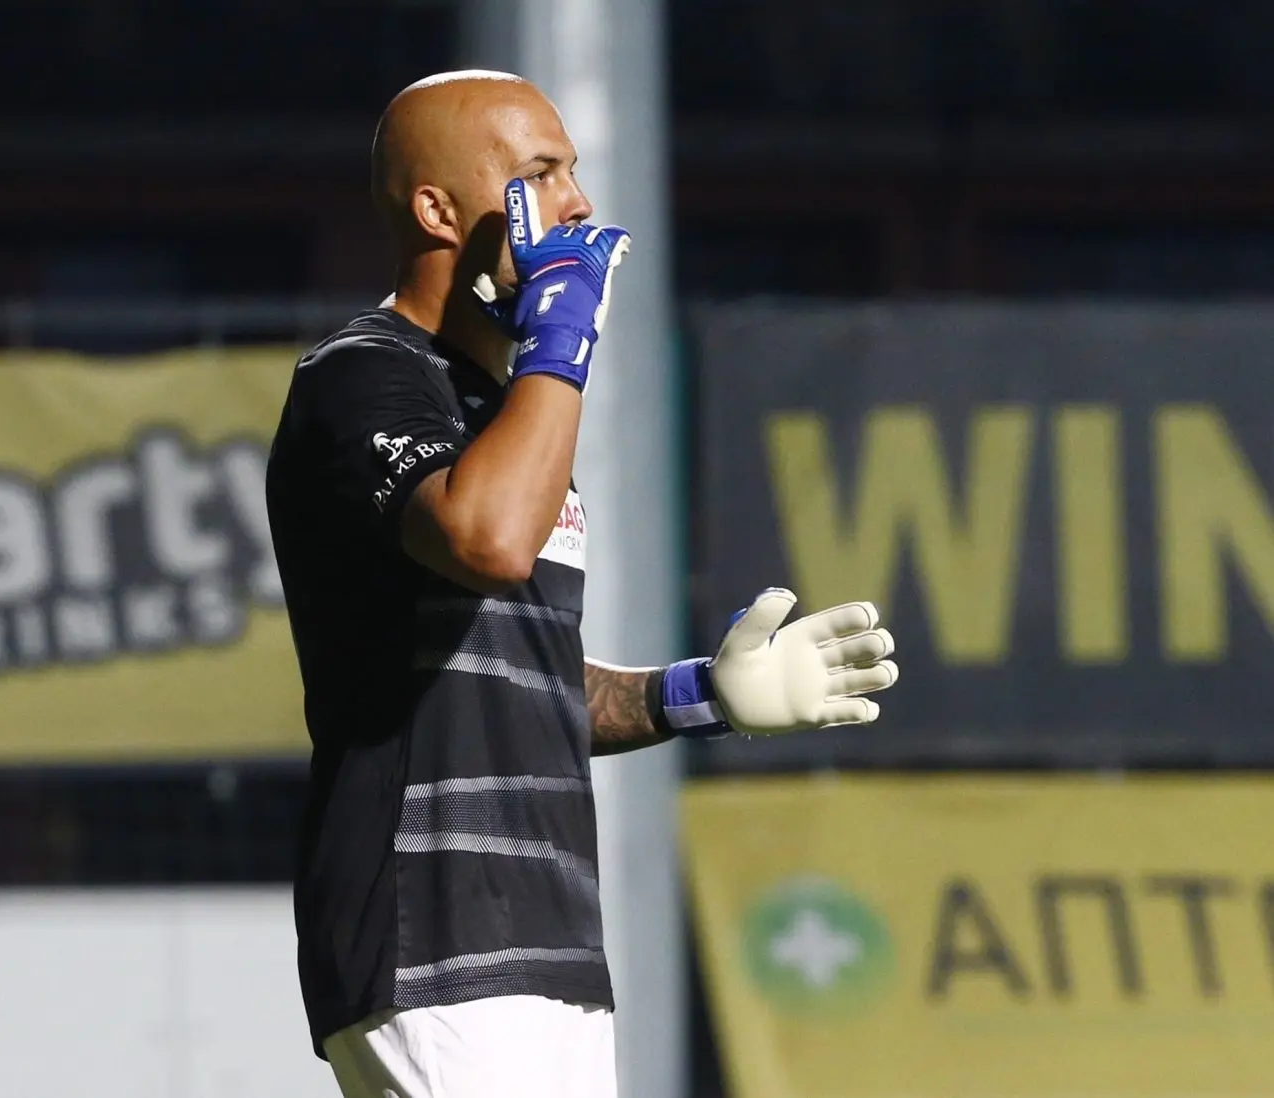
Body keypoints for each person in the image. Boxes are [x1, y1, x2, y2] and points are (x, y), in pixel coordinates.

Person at [264, 69, 899, 1098]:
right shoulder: (362, 372)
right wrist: (562, 336)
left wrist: (696, 695)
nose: (579, 203)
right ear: (438, 212)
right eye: (541, 173)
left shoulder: (502, 407)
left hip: (540, 940)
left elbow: (526, 678)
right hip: (434, 931)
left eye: (575, 171)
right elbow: (489, 542)